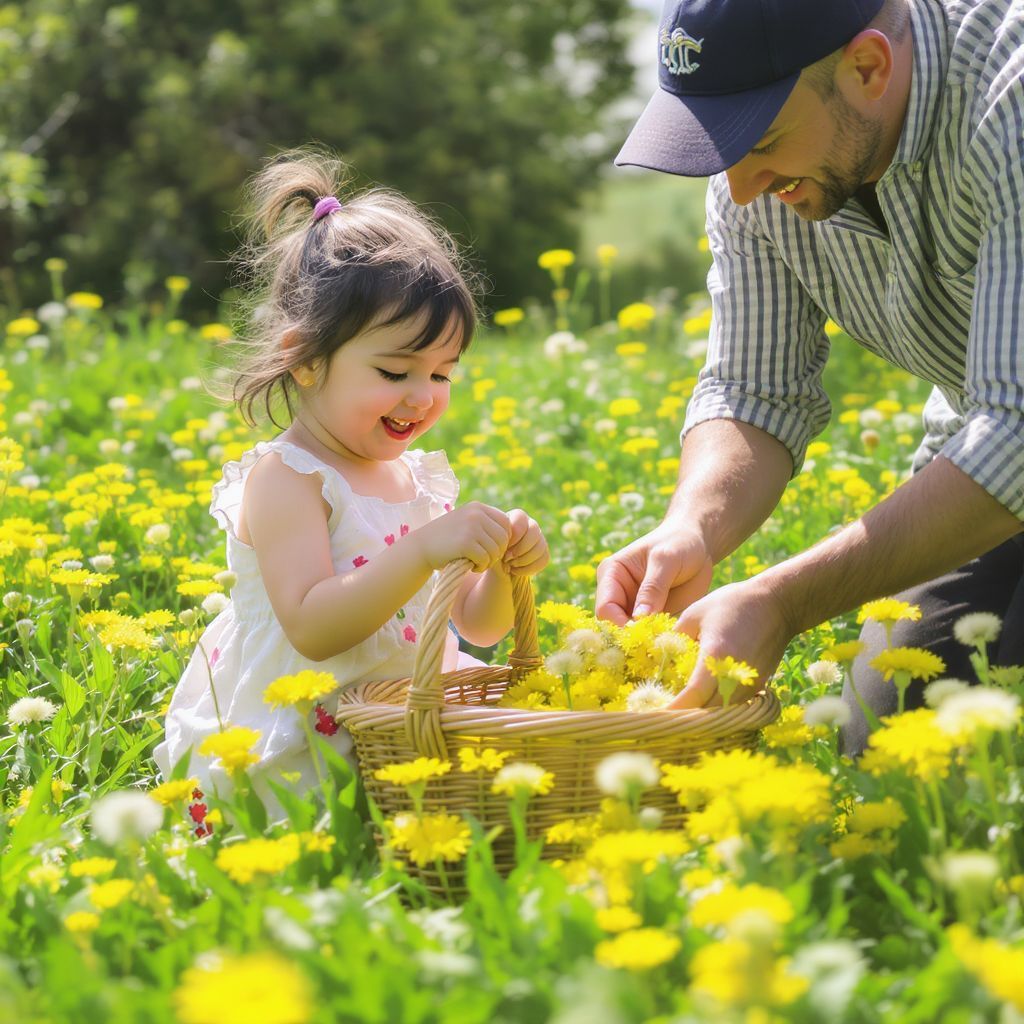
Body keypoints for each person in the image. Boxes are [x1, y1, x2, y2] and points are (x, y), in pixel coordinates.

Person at [598, 0, 1024, 750]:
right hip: (984, 473)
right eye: (721, 144)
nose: (738, 188)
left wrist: (781, 601)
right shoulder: (757, 180)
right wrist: (692, 526)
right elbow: (753, 390)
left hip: (1004, 449)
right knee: (888, 748)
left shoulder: (1007, 99)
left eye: (760, 139)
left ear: (868, 67)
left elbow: (1016, 430)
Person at [154, 150, 549, 808]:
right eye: (395, 372)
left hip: (402, 725)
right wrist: (421, 551)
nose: (422, 396)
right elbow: (314, 627)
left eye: (442, 373)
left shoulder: (415, 479)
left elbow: (478, 628)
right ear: (305, 360)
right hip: (303, 738)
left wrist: (504, 571)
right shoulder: (289, 479)